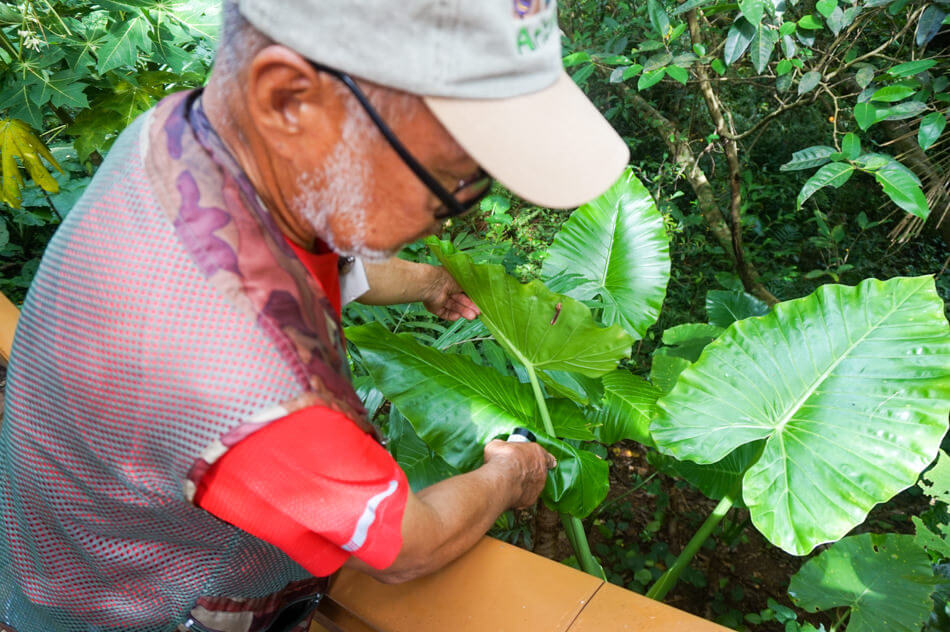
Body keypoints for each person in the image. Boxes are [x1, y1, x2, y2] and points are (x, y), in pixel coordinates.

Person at [0, 1, 629, 631]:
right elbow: (408, 547)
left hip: (52, 550)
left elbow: (296, 258)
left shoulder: (182, 133)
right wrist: (509, 474)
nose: (462, 211)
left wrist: (428, 281)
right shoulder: (248, 390)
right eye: (456, 183)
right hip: (134, 609)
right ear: (288, 100)